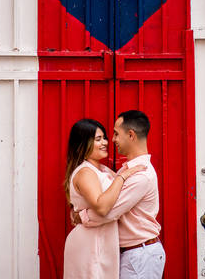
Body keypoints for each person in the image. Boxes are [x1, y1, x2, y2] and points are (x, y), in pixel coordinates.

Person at [74, 110, 166, 279]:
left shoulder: (141, 175)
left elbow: (109, 211)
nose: (113, 140)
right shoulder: (128, 170)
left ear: (131, 135)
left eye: (116, 134)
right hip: (135, 253)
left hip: (140, 255)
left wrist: (82, 216)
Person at [63, 118, 146, 279]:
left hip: (102, 242)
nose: (105, 143)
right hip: (90, 244)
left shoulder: (102, 169)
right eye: (98, 139)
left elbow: (119, 197)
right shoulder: (85, 172)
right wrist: (122, 176)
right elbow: (102, 207)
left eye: (105, 138)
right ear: (83, 143)